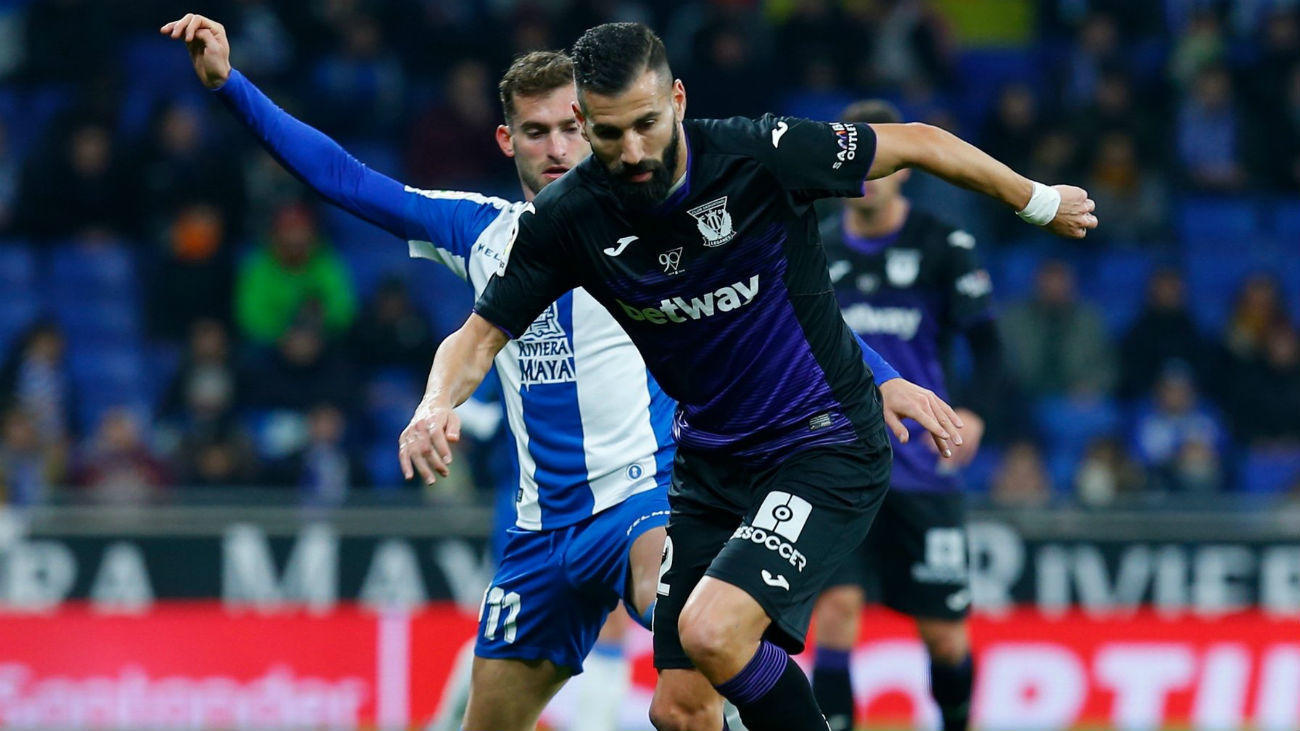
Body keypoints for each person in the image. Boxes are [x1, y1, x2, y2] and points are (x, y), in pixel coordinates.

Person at [398, 22, 1095, 731]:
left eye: (647, 123)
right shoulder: (570, 218)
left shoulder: (756, 153)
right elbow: (478, 336)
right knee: (681, 708)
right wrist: (432, 404)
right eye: (610, 134)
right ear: (584, 120)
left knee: (713, 629)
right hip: (709, 464)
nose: (634, 151)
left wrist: (1037, 199)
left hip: (822, 441)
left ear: (676, 97)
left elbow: (918, 140)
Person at [163, 14, 670, 731]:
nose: (556, 147)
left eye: (571, 127)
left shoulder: (660, 226)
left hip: (639, 501)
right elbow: (344, 178)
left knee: (692, 655)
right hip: (538, 534)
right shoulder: (479, 230)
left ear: (597, 127)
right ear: (507, 140)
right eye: (535, 131)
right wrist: (229, 85)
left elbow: (779, 295)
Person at [808, 100, 1002, 731]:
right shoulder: (812, 246)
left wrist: (972, 413)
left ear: (905, 166)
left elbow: (990, 348)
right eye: (855, 158)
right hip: (837, 458)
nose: (868, 171)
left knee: (945, 635)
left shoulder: (943, 245)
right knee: (836, 610)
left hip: (921, 464)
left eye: (880, 157)